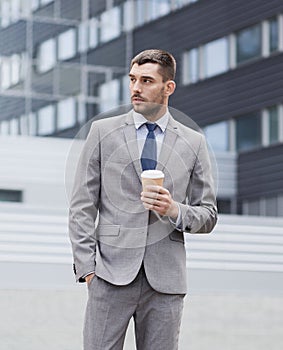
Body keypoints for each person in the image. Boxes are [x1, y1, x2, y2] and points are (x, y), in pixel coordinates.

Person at [69, 49, 217, 350]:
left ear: (168, 87)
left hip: (166, 280)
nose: (136, 88)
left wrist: (174, 209)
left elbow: (208, 214)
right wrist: (88, 269)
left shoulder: (193, 143)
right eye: (133, 79)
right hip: (109, 274)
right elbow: (82, 206)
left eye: (147, 81)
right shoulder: (101, 132)